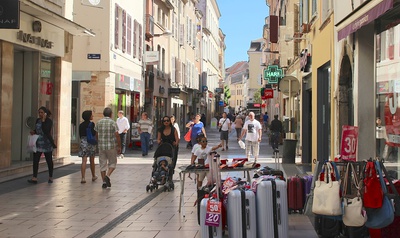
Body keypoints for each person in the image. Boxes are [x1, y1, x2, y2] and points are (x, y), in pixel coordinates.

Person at [94, 107, 121, 189]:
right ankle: (108, 176)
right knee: (112, 163)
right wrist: (119, 145)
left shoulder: (98, 122)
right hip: (111, 146)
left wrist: (98, 142)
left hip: (101, 146)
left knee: (102, 164)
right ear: (111, 114)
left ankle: (104, 182)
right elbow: (117, 135)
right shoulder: (113, 123)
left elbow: (96, 134)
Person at [28, 106, 56, 184]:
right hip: (38, 142)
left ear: (45, 113)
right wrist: (34, 131)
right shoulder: (38, 120)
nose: (40, 114)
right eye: (39, 113)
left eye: (42, 113)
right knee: (36, 160)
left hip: (46, 143)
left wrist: (43, 121)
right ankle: (34, 177)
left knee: (49, 160)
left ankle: (50, 176)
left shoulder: (48, 121)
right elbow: (38, 130)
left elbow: (46, 131)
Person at [78, 110, 98, 184]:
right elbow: (93, 133)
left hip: (83, 142)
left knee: (84, 161)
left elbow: (80, 135)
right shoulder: (92, 124)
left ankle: (83, 177)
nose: (92, 116)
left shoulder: (81, 125)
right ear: (89, 116)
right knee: (92, 160)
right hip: (90, 143)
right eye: (91, 115)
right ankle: (93, 176)